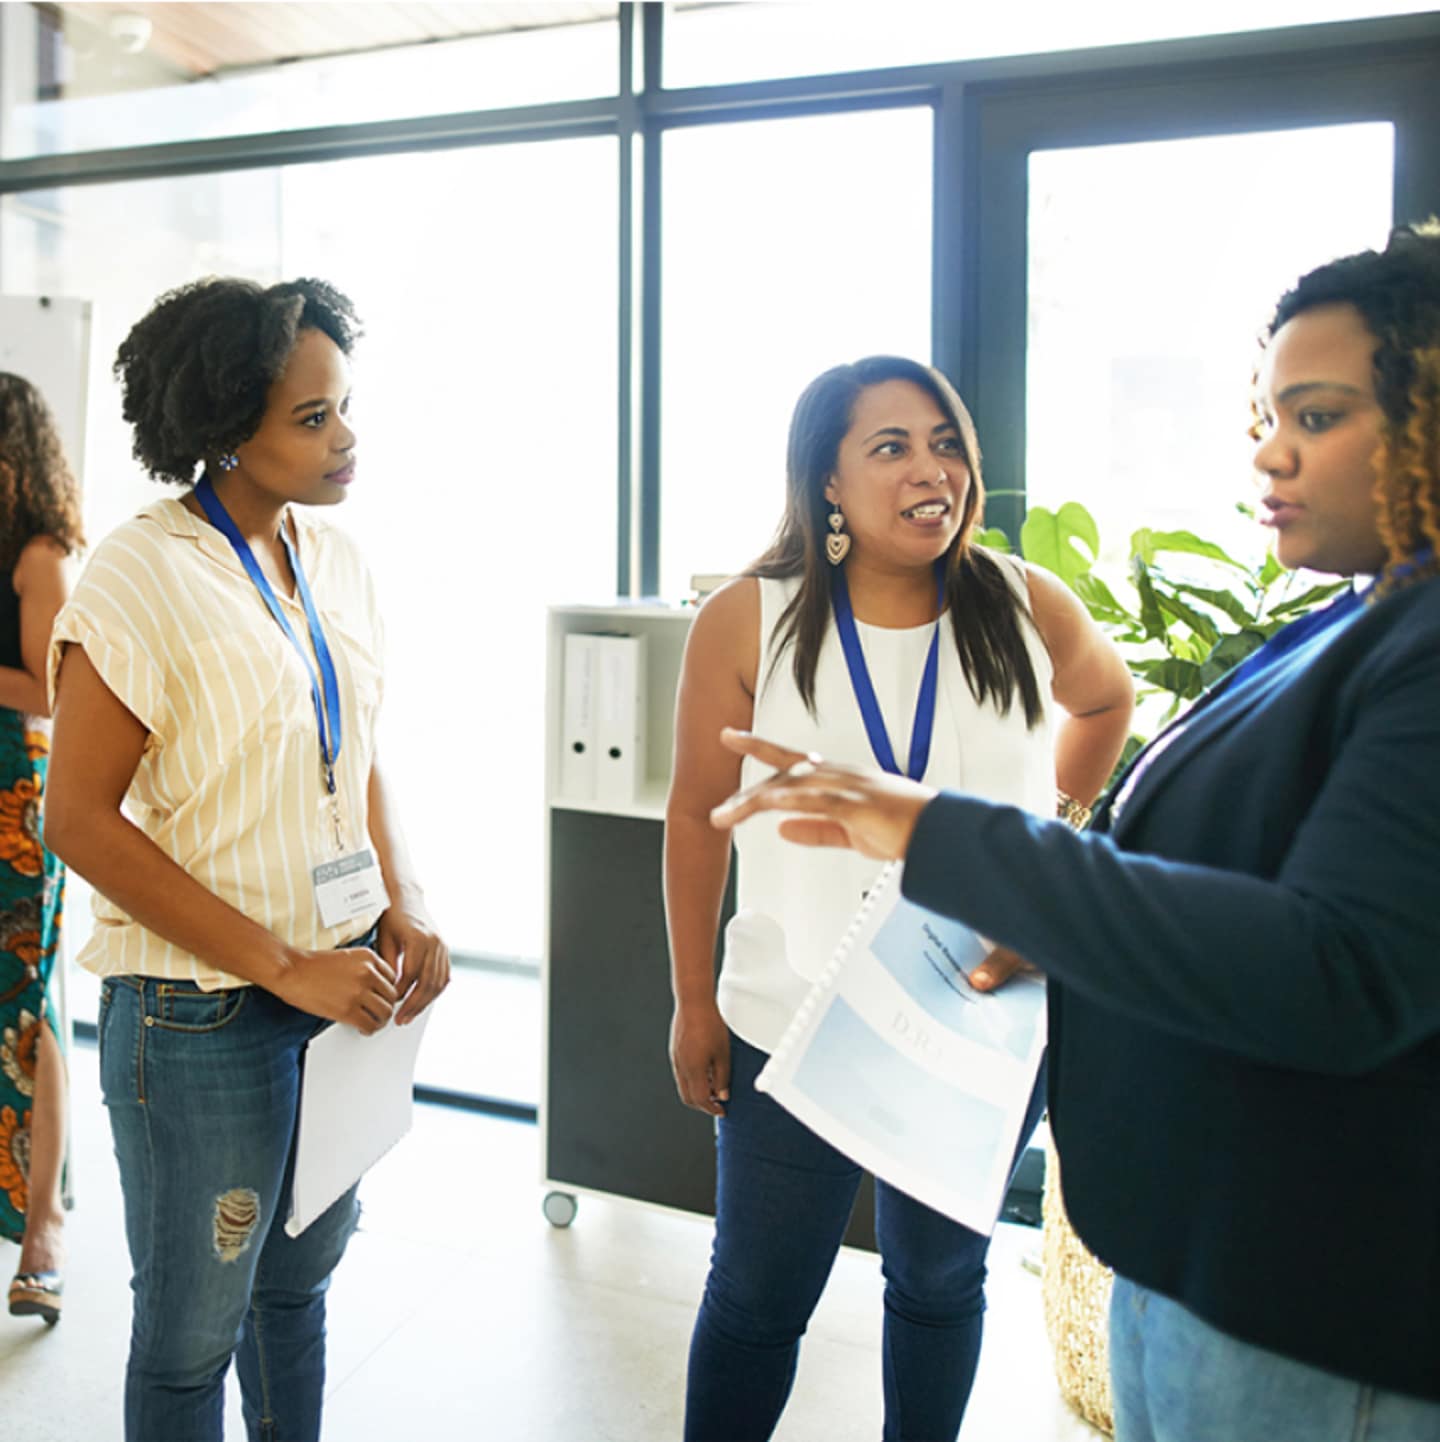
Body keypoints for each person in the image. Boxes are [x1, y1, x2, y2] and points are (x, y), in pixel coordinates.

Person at [710, 224, 1440, 1441]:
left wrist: (961, 840)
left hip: (1313, 1311)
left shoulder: (1414, 644)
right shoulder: (1363, 617)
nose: (1268, 449)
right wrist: (1060, 919)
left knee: (934, 1285)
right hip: (1214, 1269)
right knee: (757, 1295)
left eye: (1312, 416)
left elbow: (1344, 965)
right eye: (1266, 414)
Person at [665, 354, 1134, 1442]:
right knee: (757, 1296)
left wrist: (1046, 833)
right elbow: (695, 815)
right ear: (826, 480)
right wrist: (695, 999)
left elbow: (1104, 699)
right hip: (793, 1019)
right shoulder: (752, 617)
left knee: (937, 1284)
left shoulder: (1021, 600)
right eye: (891, 447)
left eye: (946, 442)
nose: (933, 468)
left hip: (971, 1017)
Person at [42, 277, 450, 1442]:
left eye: (345, 409)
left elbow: (352, 743)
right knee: (189, 1342)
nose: (346, 438)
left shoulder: (335, 561)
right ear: (226, 424)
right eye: (312, 418)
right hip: (201, 1013)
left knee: (296, 1293)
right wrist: (283, 963)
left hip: (340, 992)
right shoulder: (142, 571)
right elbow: (79, 820)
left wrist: (404, 897)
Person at [0, 374, 83, 1327]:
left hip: (16, 806)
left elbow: (52, 692)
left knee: (25, 1005)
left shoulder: (40, 552)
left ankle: (43, 1227)